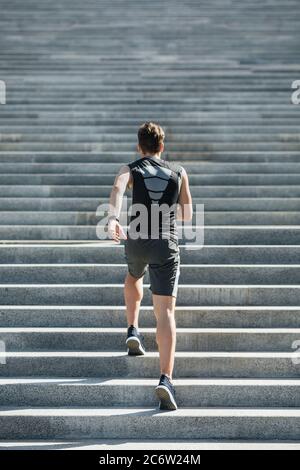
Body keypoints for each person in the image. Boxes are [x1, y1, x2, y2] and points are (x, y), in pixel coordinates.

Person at [107, 122, 193, 410]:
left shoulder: (129, 168)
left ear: (139, 146)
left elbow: (118, 189)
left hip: (136, 238)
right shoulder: (179, 172)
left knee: (133, 276)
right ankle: (165, 379)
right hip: (165, 244)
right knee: (166, 312)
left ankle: (132, 328)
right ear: (162, 147)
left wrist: (113, 219)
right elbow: (187, 215)